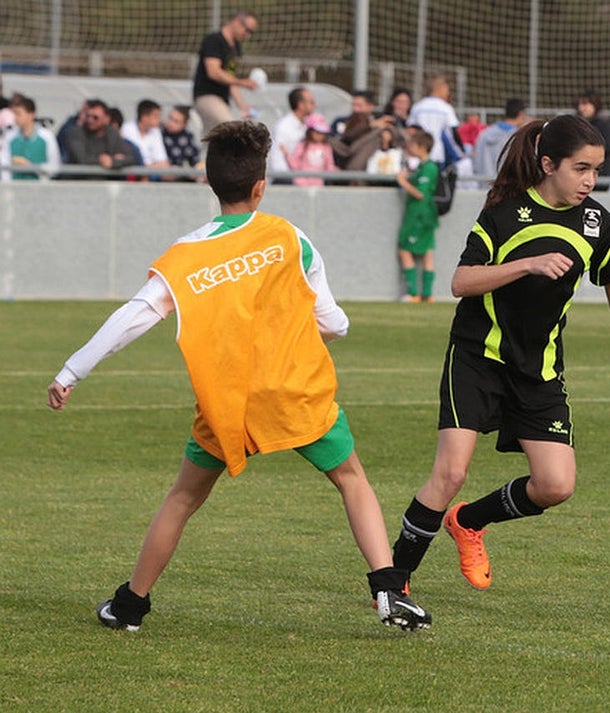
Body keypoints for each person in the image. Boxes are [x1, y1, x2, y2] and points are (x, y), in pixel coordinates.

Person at [46, 120, 430, 632]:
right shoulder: (289, 237)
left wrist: (72, 370)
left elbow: (134, 316)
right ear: (259, 186)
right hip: (296, 391)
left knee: (183, 499)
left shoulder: (186, 255)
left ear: (210, 183)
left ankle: (130, 606)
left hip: (229, 401)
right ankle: (388, 593)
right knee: (352, 479)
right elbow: (333, 322)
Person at [388, 114, 610, 592]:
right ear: (548, 165)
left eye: (596, 170)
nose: (590, 180)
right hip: (477, 359)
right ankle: (394, 579)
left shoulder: (597, 223)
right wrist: (526, 264)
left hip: (539, 370)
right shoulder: (504, 213)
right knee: (450, 473)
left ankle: (469, 522)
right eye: (580, 168)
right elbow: (461, 281)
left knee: (556, 485)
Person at [192, 10, 259, 134]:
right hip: (207, 96)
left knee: (213, 140)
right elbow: (213, 72)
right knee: (230, 130)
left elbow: (230, 79)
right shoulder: (214, 40)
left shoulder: (236, 48)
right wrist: (242, 82)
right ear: (237, 22)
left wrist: (242, 106)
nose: (248, 35)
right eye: (248, 30)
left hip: (223, 100)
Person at [395, 128, 439, 302]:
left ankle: (414, 293)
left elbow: (421, 194)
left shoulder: (429, 168)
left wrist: (402, 181)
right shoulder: (422, 167)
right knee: (426, 253)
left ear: (422, 147)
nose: (409, 147)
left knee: (405, 250)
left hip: (419, 217)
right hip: (423, 216)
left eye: (413, 144)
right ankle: (427, 294)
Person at [65, 99, 136, 175]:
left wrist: (112, 162)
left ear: (107, 119)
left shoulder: (112, 133)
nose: (90, 120)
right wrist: (101, 160)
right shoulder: (76, 132)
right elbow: (82, 159)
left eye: (95, 117)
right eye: (88, 116)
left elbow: (130, 158)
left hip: (105, 182)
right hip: (80, 181)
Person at [1, 95, 61, 181]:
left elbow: (54, 166)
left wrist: (30, 166)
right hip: (15, 189)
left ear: (31, 115)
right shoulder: (9, 137)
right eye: (14, 113)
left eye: (18, 114)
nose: (15, 118)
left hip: (40, 190)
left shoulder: (47, 137)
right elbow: (4, 165)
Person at [408, 75, 462, 167]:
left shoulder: (417, 107)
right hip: (437, 154)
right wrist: (462, 152)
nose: (448, 92)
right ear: (440, 88)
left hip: (418, 153)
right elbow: (454, 132)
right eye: (447, 89)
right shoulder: (446, 108)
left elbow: (411, 130)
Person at [269, 87, 316, 183]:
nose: (315, 105)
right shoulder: (283, 127)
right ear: (301, 105)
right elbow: (277, 161)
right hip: (287, 180)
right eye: (311, 102)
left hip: (306, 178)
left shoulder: (310, 125)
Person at [472, 98, 527, 178]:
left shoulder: (483, 134)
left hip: (482, 185)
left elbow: (476, 164)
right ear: (521, 113)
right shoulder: (517, 138)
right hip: (505, 186)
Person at [575, 90, 610, 189]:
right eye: (580, 104)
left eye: (585, 104)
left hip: (601, 179)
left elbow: (607, 148)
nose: (581, 108)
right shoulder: (575, 125)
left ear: (594, 105)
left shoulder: (604, 126)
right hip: (579, 179)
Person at [119, 99, 171, 172]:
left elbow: (163, 161)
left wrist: (146, 168)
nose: (160, 120)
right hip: (131, 173)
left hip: (152, 173)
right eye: (156, 116)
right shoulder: (126, 130)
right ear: (144, 117)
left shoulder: (156, 131)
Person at [287, 113, 336, 187]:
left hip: (318, 184)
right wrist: (287, 155)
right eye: (317, 132)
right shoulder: (303, 145)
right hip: (301, 184)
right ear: (310, 131)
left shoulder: (326, 147)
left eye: (322, 133)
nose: (320, 135)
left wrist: (335, 172)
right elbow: (295, 164)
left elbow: (329, 164)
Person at [162, 105, 201, 173]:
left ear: (184, 124)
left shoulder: (189, 138)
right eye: (170, 118)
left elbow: (194, 162)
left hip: (183, 176)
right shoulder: (158, 132)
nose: (171, 123)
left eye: (176, 121)